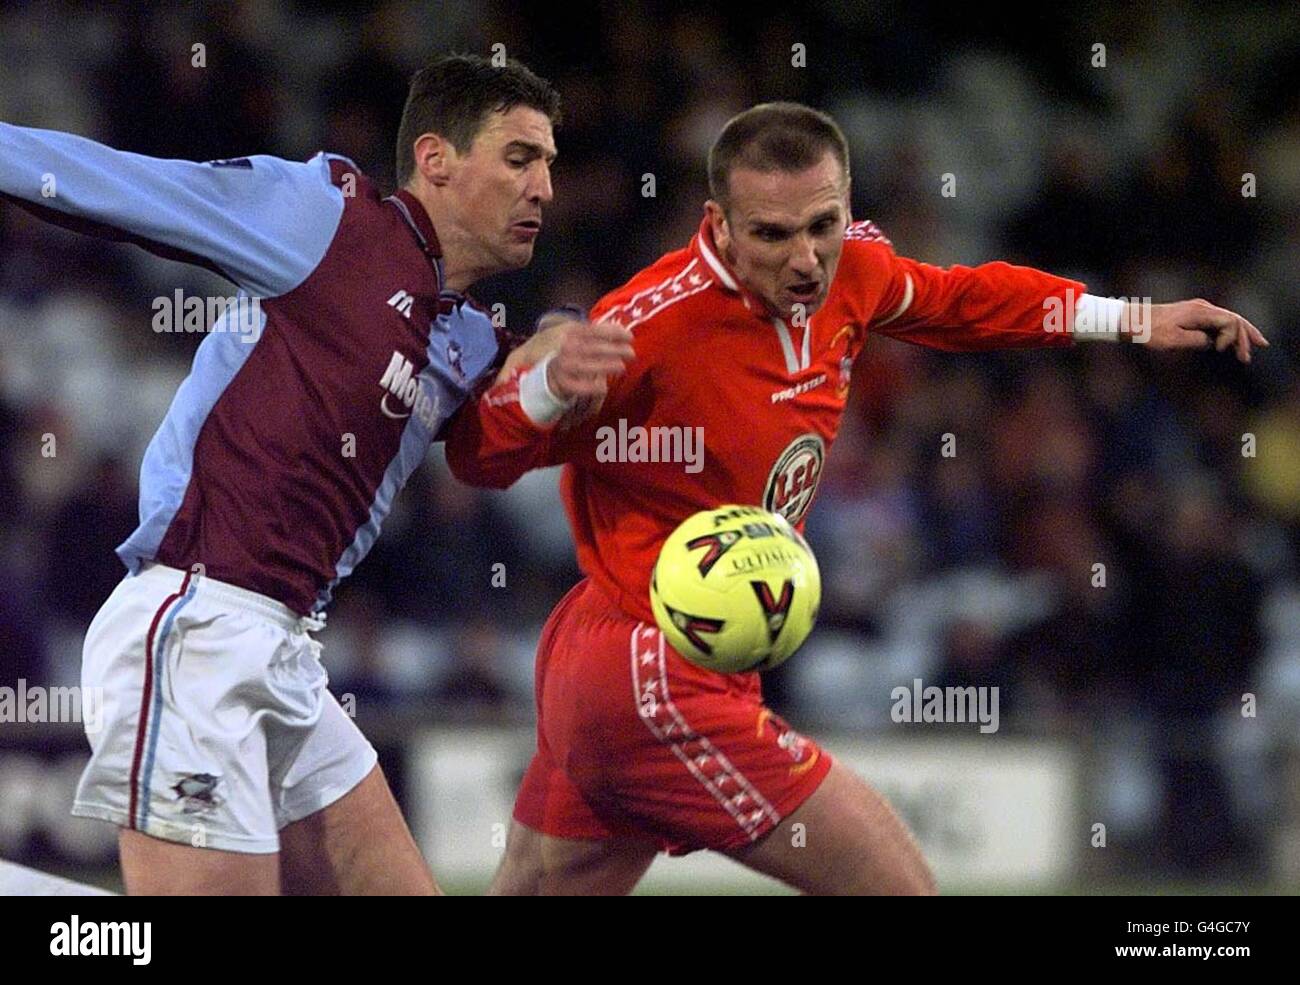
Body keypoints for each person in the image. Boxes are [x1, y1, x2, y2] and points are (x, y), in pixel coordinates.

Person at [444, 101, 1267, 895]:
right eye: (771, 233)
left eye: (822, 225)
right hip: (646, 665)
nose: (804, 258)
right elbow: (481, 453)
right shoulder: (650, 328)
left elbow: (963, 302)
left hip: (674, 657)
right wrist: (549, 387)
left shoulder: (854, 270)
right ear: (719, 223)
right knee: (896, 883)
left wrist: (1132, 319)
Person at [0, 54, 561, 895]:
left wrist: (570, 331)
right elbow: (116, 184)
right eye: (521, 158)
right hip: (194, 623)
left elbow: (531, 393)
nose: (545, 188)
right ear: (437, 159)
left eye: (551, 163)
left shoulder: (466, 338)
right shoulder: (324, 214)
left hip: (289, 654)